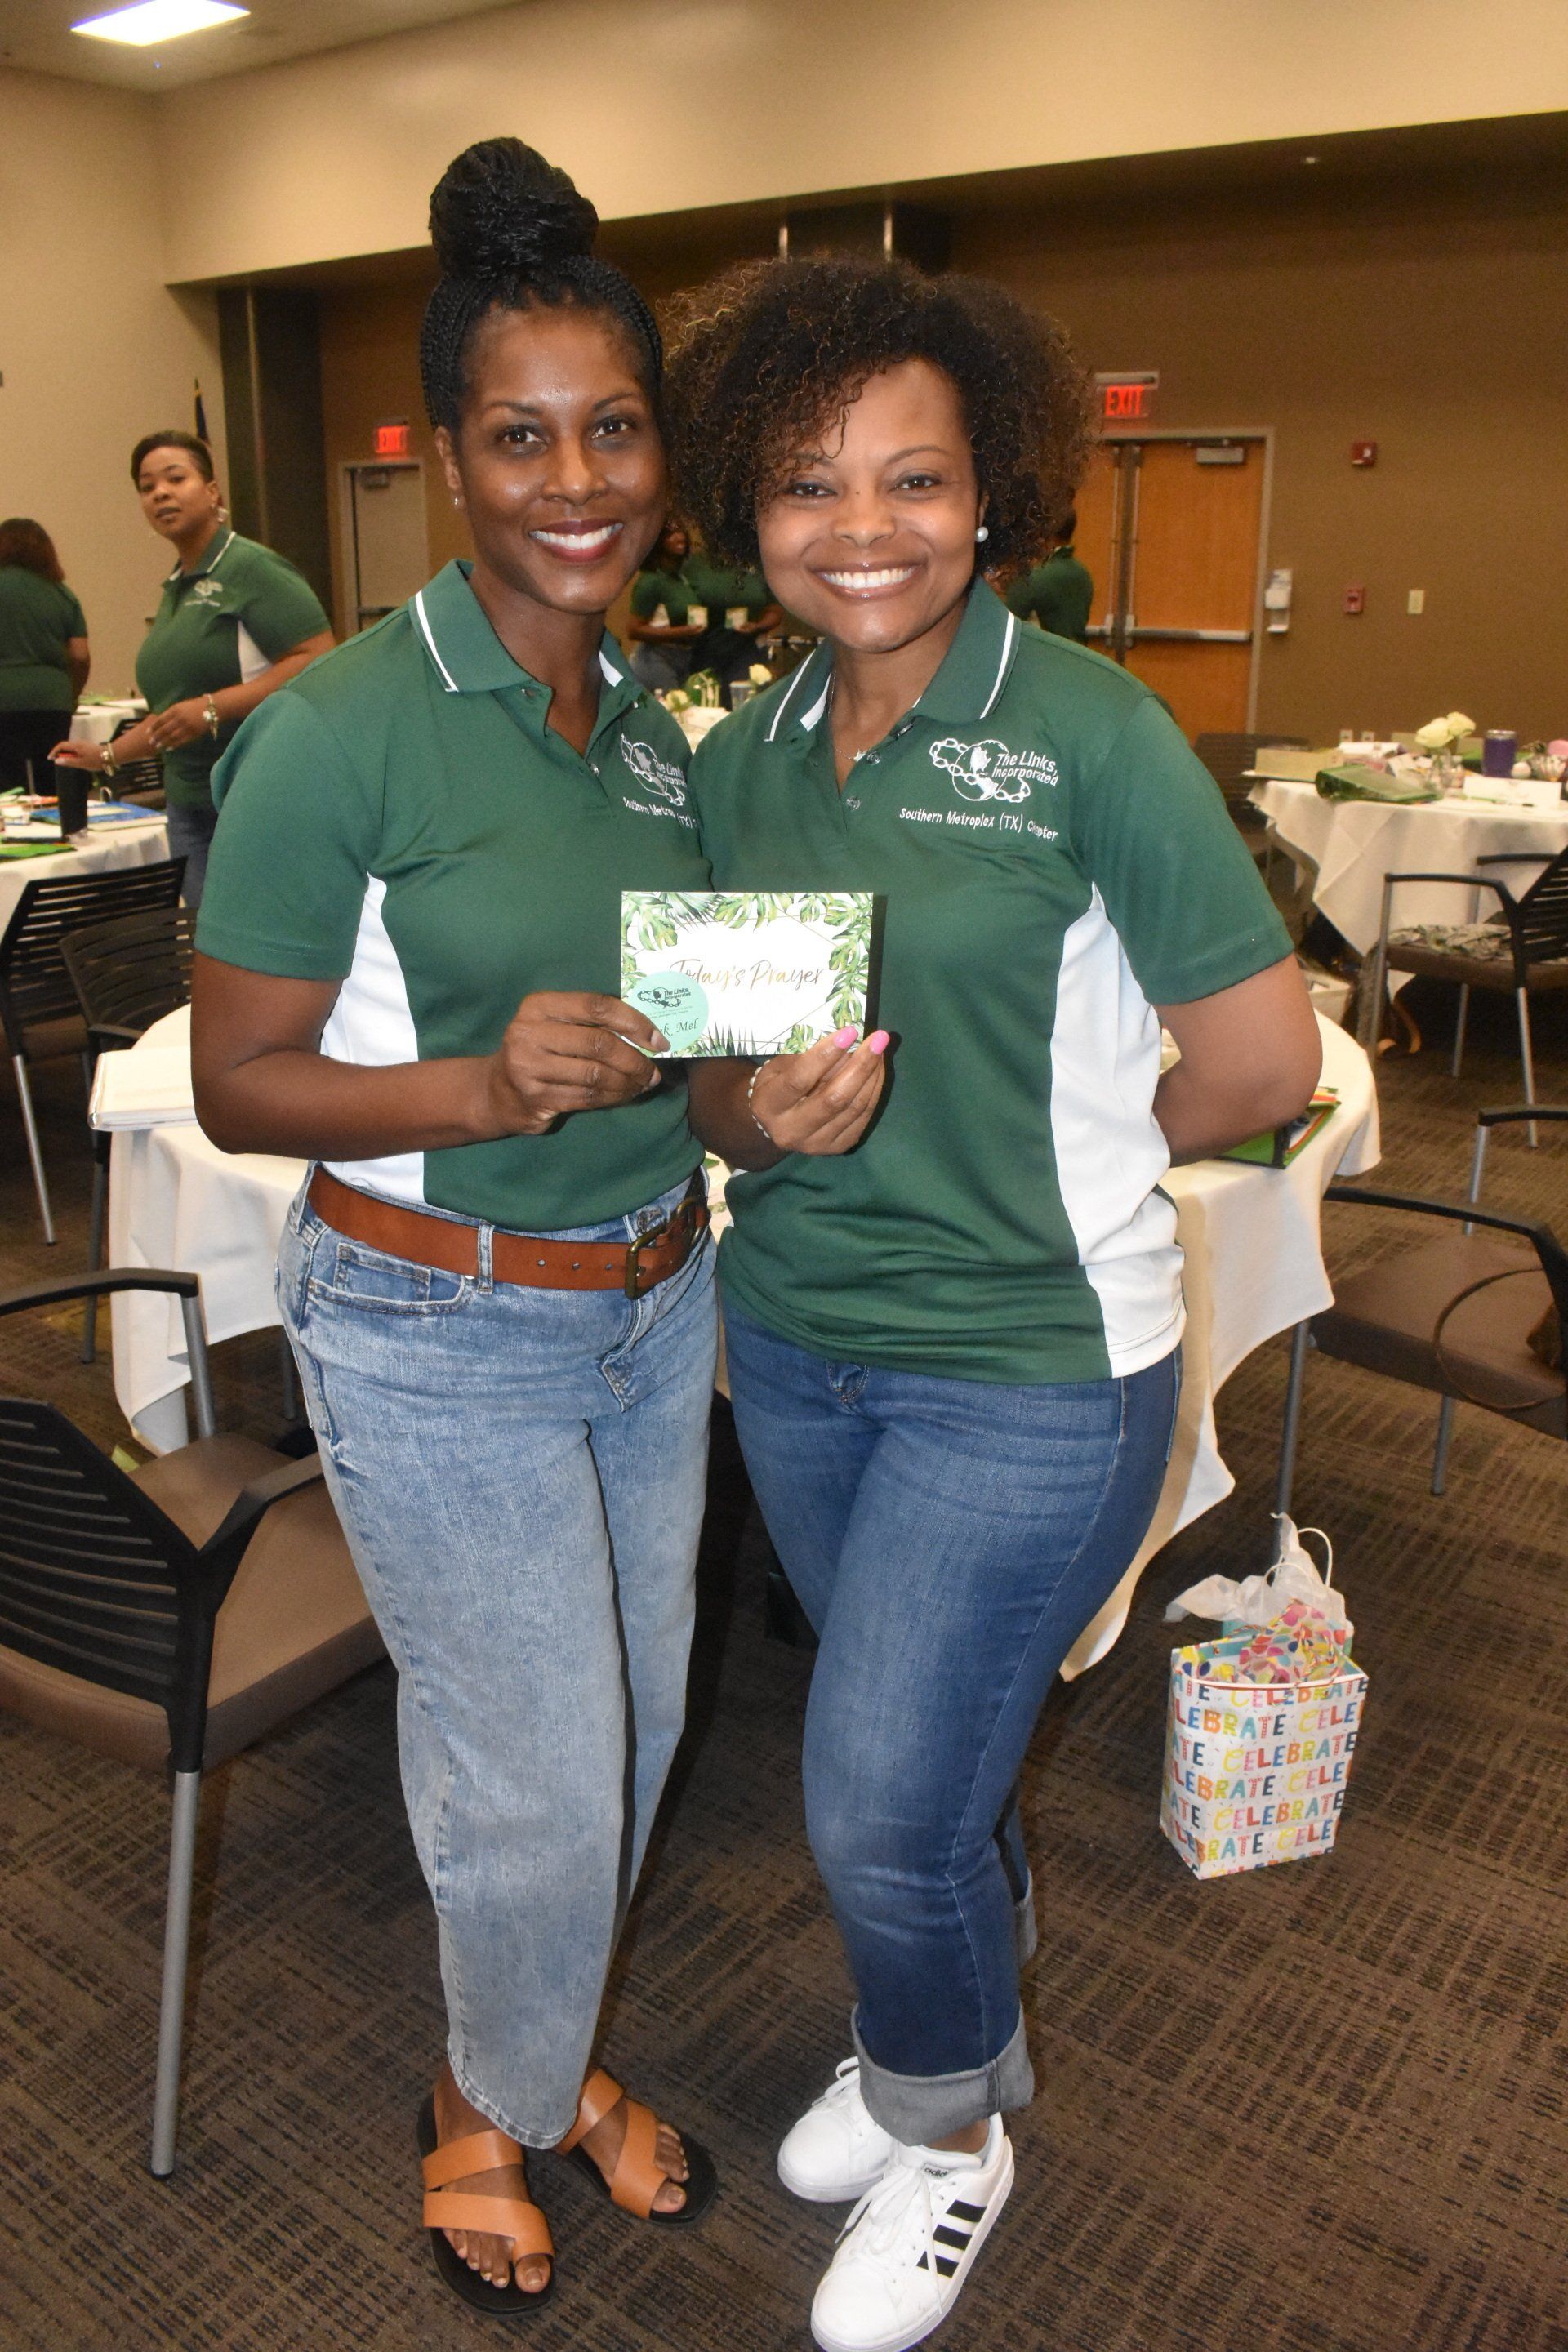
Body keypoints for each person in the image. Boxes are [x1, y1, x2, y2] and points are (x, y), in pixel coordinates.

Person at [189, 138, 883, 2318]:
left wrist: (745, 1106)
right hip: (432, 1316)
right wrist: (479, 1088)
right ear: (447, 460)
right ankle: (490, 2097)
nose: (571, 479)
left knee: (639, 1737)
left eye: (612, 429)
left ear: (659, 455)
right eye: (520, 436)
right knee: (542, 1780)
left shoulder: (655, 744)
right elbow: (239, 1083)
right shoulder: (341, 733)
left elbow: (658, 1061)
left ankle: (540, 2040)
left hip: (648, 1308)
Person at [665, 256, 1321, 2352]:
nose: (859, 527)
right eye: (805, 484)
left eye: (911, 479)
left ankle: (950, 2135)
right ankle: (923, 2039)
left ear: (996, 492)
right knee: (926, 1778)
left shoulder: (1087, 733)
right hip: (800, 1345)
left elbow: (1259, 1063)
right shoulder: (743, 747)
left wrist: (1072, 1153)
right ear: (743, 510)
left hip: (1034, 1366)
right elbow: (714, 1076)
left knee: (869, 1797)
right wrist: (754, 1113)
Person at [51, 430, 333, 906]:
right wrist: (107, 756)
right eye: (146, 486)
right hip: (188, 802)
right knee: (209, 954)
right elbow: (173, 717)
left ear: (212, 491)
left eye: (175, 479)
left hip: (254, 795)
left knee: (258, 956)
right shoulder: (176, 588)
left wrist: (213, 708)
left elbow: (318, 659)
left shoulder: (250, 568)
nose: (160, 493)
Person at [0, 519, 90, 791]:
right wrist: (72, 694)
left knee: (7, 790)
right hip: (53, 701)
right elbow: (80, 655)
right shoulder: (62, 594)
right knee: (52, 784)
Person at [683, 537, 783, 702]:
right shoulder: (695, 565)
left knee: (745, 706)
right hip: (704, 650)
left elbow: (775, 610)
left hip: (748, 650)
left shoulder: (759, 564)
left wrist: (758, 626)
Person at [624, 516, 701, 689]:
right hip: (656, 659)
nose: (680, 537)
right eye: (671, 534)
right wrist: (682, 632)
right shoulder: (651, 581)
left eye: (682, 532)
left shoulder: (682, 579)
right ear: (657, 541)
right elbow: (633, 630)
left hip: (684, 658)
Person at [1005, 505, 1094, 642]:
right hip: (1077, 656)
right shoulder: (1081, 573)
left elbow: (1004, 627)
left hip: (1041, 658)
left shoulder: (1032, 578)